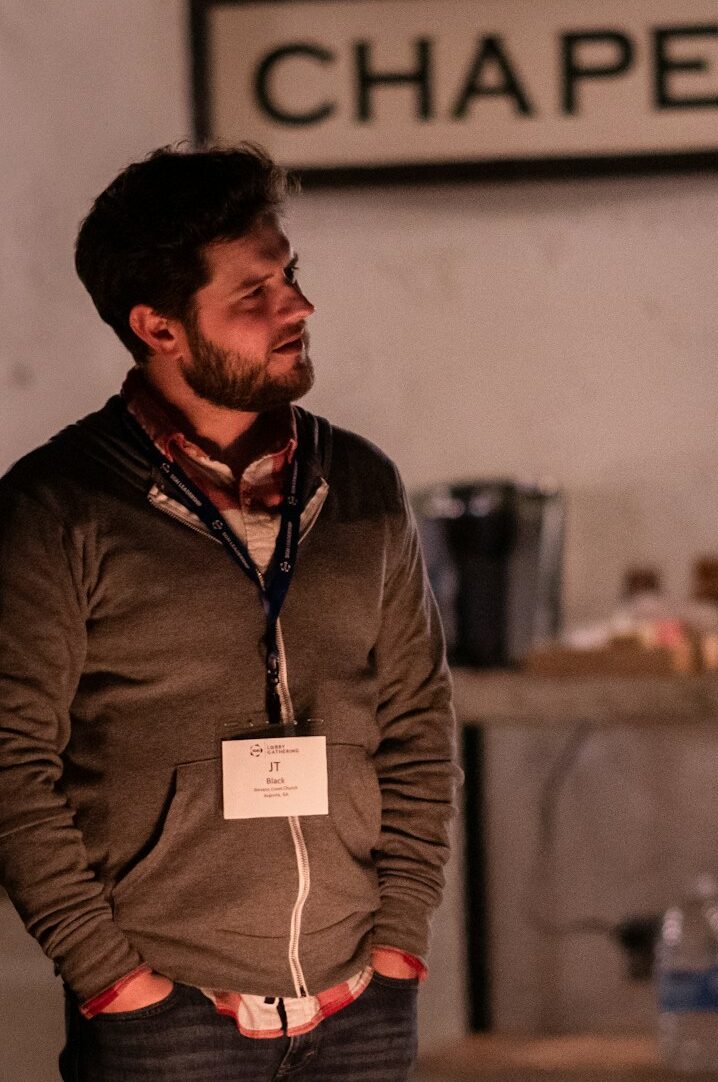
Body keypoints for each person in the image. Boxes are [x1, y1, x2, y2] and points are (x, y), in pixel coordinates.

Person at [0, 144, 457, 1081]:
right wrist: (111, 979)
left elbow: (417, 721)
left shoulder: (361, 484)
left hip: (360, 1009)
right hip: (165, 1020)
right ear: (158, 327)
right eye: (256, 292)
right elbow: (10, 763)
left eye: (290, 274)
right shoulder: (60, 507)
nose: (299, 306)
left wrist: (399, 943)